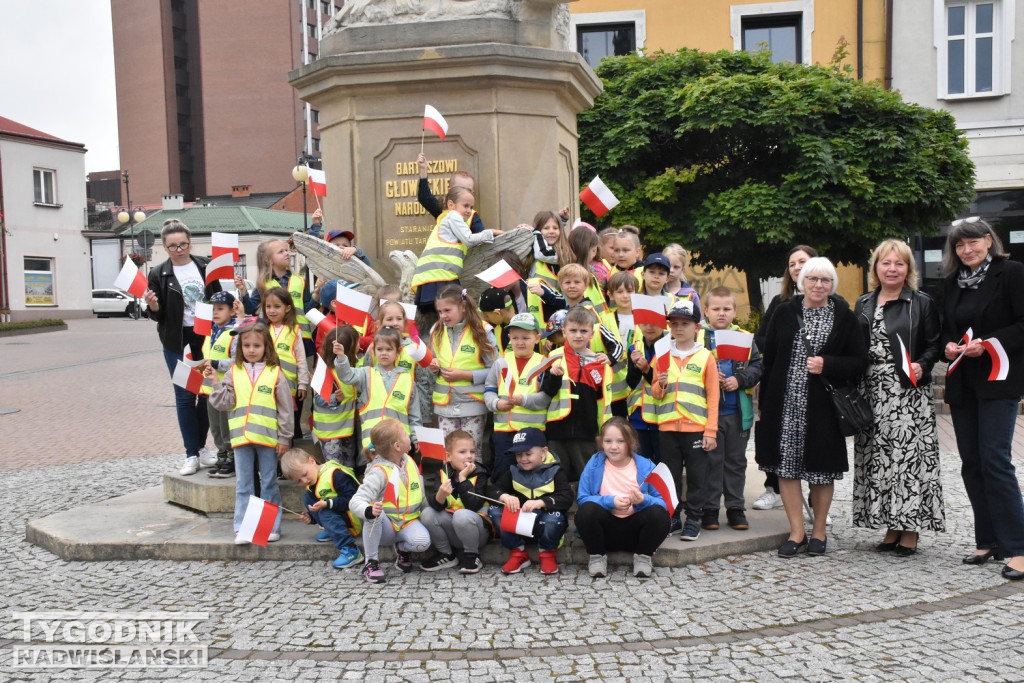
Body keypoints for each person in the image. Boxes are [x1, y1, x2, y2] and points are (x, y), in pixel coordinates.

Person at [755, 257, 867, 558]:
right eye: (812, 279)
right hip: (785, 405)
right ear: (801, 282)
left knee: (822, 470)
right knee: (787, 470)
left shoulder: (844, 316)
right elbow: (770, 360)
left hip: (823, 408)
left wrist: (827, 364)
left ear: (833, 285)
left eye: (825, 280)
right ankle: (796, 532)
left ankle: (819, 531)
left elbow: (858, 361)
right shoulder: (784, 312)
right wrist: (764, 404)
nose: (818, 285)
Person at [941, 217, 1024, 580]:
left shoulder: (1013, 272)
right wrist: (948, 345)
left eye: (973, 242)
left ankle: (1019, 547)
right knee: (972, 462)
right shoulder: (951, 284)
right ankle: (988, 540)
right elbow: (948, 328)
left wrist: (988, 345)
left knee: (995, 460)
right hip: (963, 384)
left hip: (998, 379)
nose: (967, 249)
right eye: (959, 245)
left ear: (989, 241)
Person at [853, 239, 944, 556]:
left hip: (907, 391)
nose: (892, 269)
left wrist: (923, 364)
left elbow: (935, 344)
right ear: (875, 267)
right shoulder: (864, 302)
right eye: (886, 263)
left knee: (908, 461)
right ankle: (892, 525)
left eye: (899, 263)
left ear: (909, 268)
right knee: (881, 461)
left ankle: (911, 531)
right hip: (872, 390)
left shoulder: (921, 302)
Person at [144, 219, 222, 476]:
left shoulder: (205, 266)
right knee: (185, 396)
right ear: (165, 247)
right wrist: (153, 306)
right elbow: (157, 315)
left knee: (205, 394)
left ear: (190, 243)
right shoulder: (158, 273)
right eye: (173, 246)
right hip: (177, 341)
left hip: (205, 338)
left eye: (183, 244)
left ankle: (201, 449)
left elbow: (218, 300)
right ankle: (190, 454)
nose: (179, 249)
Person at [206, 320, 294, 544]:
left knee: (269, 483)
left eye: (257, 345)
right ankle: (243, 528)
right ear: (239, 348)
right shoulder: (233, 373)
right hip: (241, 438)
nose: (252, 350)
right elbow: (225, 403)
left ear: (266, 347)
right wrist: (215, 382)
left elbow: (285, 409)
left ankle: (271, 526)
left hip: (267, 438)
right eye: (247, 346)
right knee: (243, 484)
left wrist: (285, 437)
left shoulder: (275, 373)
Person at [752, 244, 819, 511]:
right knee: (776, 437)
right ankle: (775, 489)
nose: (797, 268)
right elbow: (761, 338)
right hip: (780, 382)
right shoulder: (780, 303)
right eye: (792, 264)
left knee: (815, 444)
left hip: (815, 385)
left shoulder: (832, 303)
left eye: (802, 262)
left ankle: (816, 504)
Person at [649, 298, 720, 541]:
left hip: (696, 429)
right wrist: (660, 384)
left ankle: (693, 519)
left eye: (685, 324)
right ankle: (674, 517)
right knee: (671, 474)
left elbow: (713, 397)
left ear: (697, 328)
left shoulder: (706, 357)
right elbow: (655, 395)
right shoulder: (662, 355)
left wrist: (710, 431)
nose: (679, 328)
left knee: (697, 476)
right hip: (668, 427)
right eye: (675, 324)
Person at [575, 418, 671, 579]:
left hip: (636, 531)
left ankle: (643, 557)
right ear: (601, 442)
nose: (613, 446)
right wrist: (609, 501)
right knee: (586, 510)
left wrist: (644, 500)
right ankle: (596, 556)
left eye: (620, 441)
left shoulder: (646, 465)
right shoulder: (594, 464)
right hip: (604, 532)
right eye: (608, 441)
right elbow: (583, 498)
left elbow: (664, 503)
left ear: (631, 442)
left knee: (659, 514)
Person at [701, 286, 763, 531]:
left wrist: (740, 379)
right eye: (716, 309)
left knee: (736, 461)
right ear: (706, 311)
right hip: (708, 414)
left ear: (735, 311)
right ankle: (710, 509)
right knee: (711, 462)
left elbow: (757, 366)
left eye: (727, 309)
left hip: (737, 412)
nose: (721, 314)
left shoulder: (745, 337)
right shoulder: (699, 337)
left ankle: (736, 508)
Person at [349, 418, 431, 584]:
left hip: (408, 522)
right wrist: (368, 511)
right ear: (397, 446)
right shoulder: (378, 471)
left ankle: (402, 550)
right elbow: (355, 501)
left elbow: (421, 495)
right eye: (406, 435)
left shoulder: (410, 461)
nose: (410, 436)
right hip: (384, 527)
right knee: (375, 513)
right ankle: (371, 562)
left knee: (423, 543)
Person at [411, 182, 501, 331]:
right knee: (459, 312)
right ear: (451, 205)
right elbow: (469, 240)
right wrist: (491, 233)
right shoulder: (453, 217)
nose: (469, 211)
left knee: (445, 319)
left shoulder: (448, 219)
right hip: (440, 278)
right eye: (465, 206)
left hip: (434, 278)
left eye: (471, 207)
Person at [487, 427, 572, 575]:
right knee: (494, 510)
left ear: (543, 452)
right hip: (521, 524)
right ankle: (518, 554)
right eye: (519, 455)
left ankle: (547, 553)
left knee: (554, 517)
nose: (523, 459)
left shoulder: (555, 471)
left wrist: (542, 502)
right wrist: (505, 497)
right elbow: (492, 490)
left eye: (528, 454)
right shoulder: (512, 471)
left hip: (545, 524)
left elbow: (566, 497)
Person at [541, 307, 612, 481]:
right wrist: (553, 376)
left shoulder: (600, 362)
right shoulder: (554, 356)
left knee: (587, 476)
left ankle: (588, 506)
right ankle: (557, 508)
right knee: (557, 476)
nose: (578, 335)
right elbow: (546, 392)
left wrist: (603, 432)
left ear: (592, 333)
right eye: (573, 331)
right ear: (564, 332)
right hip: (557, 429)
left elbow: (604, 402)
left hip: (586, 431)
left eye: (583, 331)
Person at [427, 286, 497, 459]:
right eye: (440, 311)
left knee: (471, 453)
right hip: (445, 406)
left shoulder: (482, 331)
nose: (443, 316)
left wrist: (466, 375)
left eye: (448, 310)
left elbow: (496, 370)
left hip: (472, 404)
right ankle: (450, 485)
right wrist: (432, 365)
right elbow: (430, 366)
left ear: (463, 306)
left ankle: (474, 485)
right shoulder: (436, 331)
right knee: (448, 454)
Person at [483, 313, 554, 480]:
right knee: (503, 472)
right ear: (509, 338)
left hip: (532, 432)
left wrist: (523, 400)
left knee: (531, 473)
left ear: (537, 338)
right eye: (515, 338)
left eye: (525, 338)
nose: (520, 342)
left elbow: (546, 397)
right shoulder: (501, 362)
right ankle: (503, 504)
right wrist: (496, 404)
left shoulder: (545, 364)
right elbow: (489, 388)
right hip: (503, 432)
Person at [334, 326, 422, 452]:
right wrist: (341, 358)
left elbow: (414, 415)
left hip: (399, 444)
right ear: (374, 351)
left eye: (388, 349)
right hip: (373, 444)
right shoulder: (366, 374)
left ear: (398, 352)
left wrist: (416, 438)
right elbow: (346, 376)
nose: (384, 353)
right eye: (379, 349)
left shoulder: (408, 379)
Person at [419, 430, 494, 574]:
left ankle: (472, 555)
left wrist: (463, 479)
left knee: (461, 515)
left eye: (472, 451)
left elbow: (474, 505)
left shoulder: (480, 473)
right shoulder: (443, 472)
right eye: (462, 452)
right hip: (454, 530)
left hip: (478, 533)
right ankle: (447, 554)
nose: (469, 456)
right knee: (427, 513)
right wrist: (440, 494)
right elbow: (436, 506)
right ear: (448, 456)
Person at [281, 447, 363, 570]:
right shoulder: (314, 481)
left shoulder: (335, 474)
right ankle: (332, 530)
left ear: (312, 461)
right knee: (307, 497)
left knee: (325, 511)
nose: (304, 481)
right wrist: (311, 518)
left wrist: (328, 504)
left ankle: (351, 550)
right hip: (341, 514)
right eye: (299, 481)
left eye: (304, 474)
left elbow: (353, 499)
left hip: (355, 518)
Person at [199, 291, 241, 478]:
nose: (215, 313)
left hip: (226, 388)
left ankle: (231, 458)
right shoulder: (210, 333)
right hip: (210, 389)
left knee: (226, 427)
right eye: (213, 309)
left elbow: (237, 360)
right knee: (215, 427)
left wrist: (215, 364)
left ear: (232, 311)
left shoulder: (234, 332)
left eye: (220, 309)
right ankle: (222, 455)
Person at [262, 288, 310, 443]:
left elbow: (301, 359)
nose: (272, 311)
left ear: (287, 308)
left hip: (291, 389)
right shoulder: (262, 330)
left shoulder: (294, 330)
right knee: (273, 424)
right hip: (269, 387)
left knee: (292, 426)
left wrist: (302, 384)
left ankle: (294, 460)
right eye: (268, 306)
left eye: (277, 306)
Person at [312, 326, 360, 471]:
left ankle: (350, 491)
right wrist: (333, 398)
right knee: (335, 468)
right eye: (357, 342)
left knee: (349, 466)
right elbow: (318, 399)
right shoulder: (324, 371)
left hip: (347, 428)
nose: (360, 345)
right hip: (329, 431)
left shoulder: (355, 367)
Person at [530, 210, 571, 289]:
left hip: (555, 300)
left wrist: (536, 232)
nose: (551, 231)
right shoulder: (533, 248)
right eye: (546, 228)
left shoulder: (563, 253)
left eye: (555, 228)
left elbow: (543, 253)